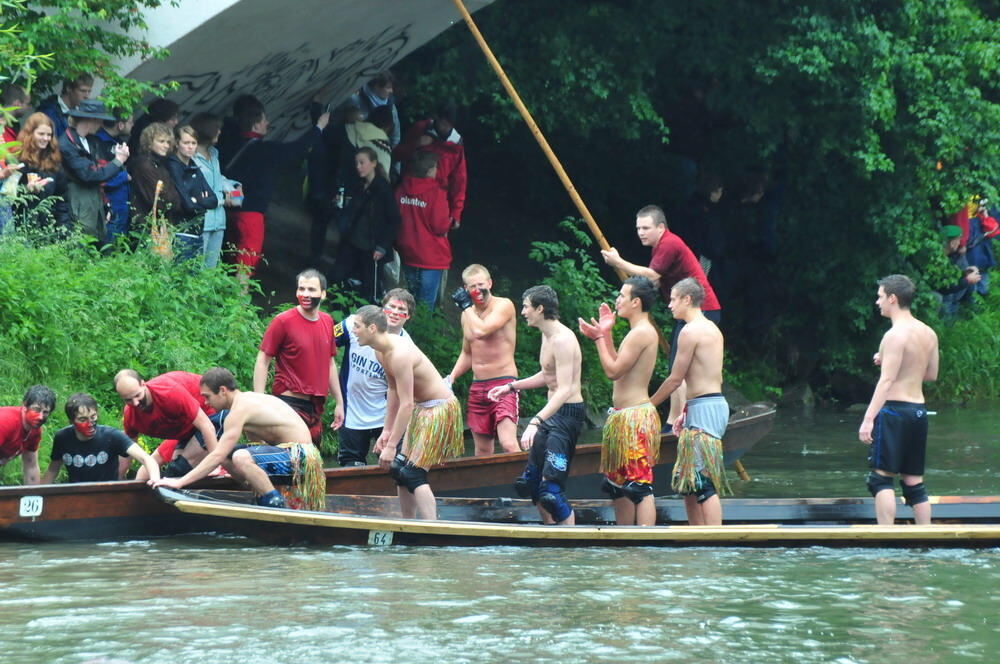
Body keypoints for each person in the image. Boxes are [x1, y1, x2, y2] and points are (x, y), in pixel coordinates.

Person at [601, 204, 721, 425]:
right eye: (638, 228)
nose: (641, 233)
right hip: (693, 309)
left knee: (679, 368)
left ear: (661, 227)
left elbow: (652, 275)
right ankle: (679, 417)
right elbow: (653, 280)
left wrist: (618, 262)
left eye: (646, 228)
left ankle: (675, 420)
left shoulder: (669, 243)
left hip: (701, 307)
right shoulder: (660, 246)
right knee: (677, 365)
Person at [153, 368, 325, 510]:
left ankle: (274, 503)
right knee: (232, 455)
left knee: (239, 456)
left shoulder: (239, 410)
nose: (205, 402)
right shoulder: (246, 401)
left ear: (222, 391)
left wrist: (180, 482)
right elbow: (257, 446)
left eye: (207, 396)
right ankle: (259, 494)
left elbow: (217, 455)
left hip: (302, 458)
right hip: (290, 455)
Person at [354, 306, 463, 520]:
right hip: (420, 408)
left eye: (357, 327)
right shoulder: (379, 350)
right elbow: (393, 389)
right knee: (398, 469)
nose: (354, 331)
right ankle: (407, 524)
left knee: (413, 472)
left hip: (438, 409)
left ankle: (433, 529)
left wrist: (393, 445)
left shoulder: (399, 354)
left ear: (372, 328)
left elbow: (406, 404)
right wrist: (386, 431)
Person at [488, 285, 585, 526]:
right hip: (552, 412)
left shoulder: (562, 339)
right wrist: (511, 387)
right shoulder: (546, 335)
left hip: (567, 414)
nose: (523, 312)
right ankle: (549, 535)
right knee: (530, 483)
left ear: (540, 309)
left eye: (526, 307)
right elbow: (547, 375)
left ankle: (569, 546)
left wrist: (535, 421)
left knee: (551, 491)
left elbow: (564, 389)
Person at [578, 277, 661, 525]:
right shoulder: (637, 332)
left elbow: (612, 371)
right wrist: (606, 333)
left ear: (636, 302)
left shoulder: (642, 333)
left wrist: (598, 339)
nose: (617, 300)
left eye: (622, 296)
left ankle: (644, 543)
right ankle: (624, 540)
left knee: (639, 485)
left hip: (635, 419)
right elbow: (619, 365)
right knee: (617, 485)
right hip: (623, 418)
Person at [858, 275, 939, 526]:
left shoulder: (894, 335)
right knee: (914, 484)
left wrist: (868, 419)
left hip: (894, 412)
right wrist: (890, 359)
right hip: (918, 411)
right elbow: (930, 375)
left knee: (880, 479)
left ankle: (886, 539)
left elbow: (886, 382)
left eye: (880, 296)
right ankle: (927, 538)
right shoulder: (928, 332)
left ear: (893, 298)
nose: (877, 301)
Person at [649, 277, 730, 526]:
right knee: (689, 482)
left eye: (673, 299)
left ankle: (715, 537)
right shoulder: (711, 328)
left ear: (687, 299)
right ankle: (696, 533)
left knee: (703, 482)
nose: (670, 305)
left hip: (706, 407)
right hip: (706, 405)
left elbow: (675, 379)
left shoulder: (690, 331)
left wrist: (647, 405)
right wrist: (685, 409)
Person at [224, 100, 329, 279]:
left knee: (229, 257)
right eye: (264, 119)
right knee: (246, 262)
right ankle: (238, 300)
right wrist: (318, 127)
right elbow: (298, 148)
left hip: (229, 208)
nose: (268, 123)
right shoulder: (266, 150)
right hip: (251, 215)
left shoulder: (229, 143)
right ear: (256, 124)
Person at [254, 268, 344, 446]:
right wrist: (259, 401)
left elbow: (330, 363)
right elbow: (263, 360)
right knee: (293, 459)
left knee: (311, 466)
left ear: (323, 294)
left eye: (311, 290)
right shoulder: (283, 321)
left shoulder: (327, 321)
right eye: (301, 289)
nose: (305, 294)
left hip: (315, 406)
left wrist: (340, 402)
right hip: (288, 403)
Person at [334, 288, 414, 466]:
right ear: (382, 308)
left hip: (386, 413)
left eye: (402, 311)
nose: (395, 313)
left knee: (393, 465)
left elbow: (403, 393)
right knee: (350, 465)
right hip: (352, 409)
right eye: (391, 307)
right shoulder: (356, 325)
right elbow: (326, 343)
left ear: (408, 317)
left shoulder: (406, 348)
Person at [446, 264, 520, 455]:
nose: (477, 290)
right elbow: (467, 352)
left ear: (490, 283)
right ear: (465, 289)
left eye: (480, 285)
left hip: (503, 383)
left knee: (508, 444)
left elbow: (482, 330)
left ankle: (525, 483)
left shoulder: (504, 305)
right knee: (482, 449)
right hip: (478, 385)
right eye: (472, 287)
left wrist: (467, 307)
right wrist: (451, 377)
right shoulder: (467, 315)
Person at [114, 369, 219, 478]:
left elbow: (206, 426)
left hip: (209, 413)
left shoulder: (169, 393)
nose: (135, 403)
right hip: (184, 429)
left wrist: (215, 465)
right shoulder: (130, 415)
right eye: (128, 400)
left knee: (181, 466)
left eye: (137, 395)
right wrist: (117, 482)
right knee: (144, 472)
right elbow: (128, 451)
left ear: (143, 384)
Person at [328, 146, 400, 302]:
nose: (358, 167)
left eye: (362, 163)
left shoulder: (383, 189)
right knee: (338, 277)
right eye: (356, 163)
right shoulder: (358, 185)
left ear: (373, 163)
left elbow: (393, 219)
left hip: (371, 246)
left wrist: (382, 245)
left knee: (368, 287)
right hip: (353, 241)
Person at [40, 393, 160, 484]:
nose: (90, 423)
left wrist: (155, 480)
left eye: (93, 417)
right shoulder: (62, 438)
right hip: (76, 496)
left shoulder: (112, 436)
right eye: (83, 419)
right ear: (71, 421)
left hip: (108, 494)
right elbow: (52, 470)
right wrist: (38, 494)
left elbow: (146, 458)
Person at [58, 100, 130, 242]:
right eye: (100, 121)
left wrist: (105, 206)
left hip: (94, 204)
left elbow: (100, 174)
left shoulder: (91, 141)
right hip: (76, 204)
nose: (101, 125)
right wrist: (118, 160)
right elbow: (89, 175)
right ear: (92, 120)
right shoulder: (66, 143)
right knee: (81, 244)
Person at [393, 101, 467, 229]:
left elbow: (459, 180)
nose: (444, 128)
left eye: (449, 125)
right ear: (436, 118)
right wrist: (416, 144)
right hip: (410, 191)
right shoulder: (420, 128)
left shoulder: (456, 143)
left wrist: (456, 212)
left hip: (436, 197)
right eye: (443, 123)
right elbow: (396, 155)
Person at [395, 151, 452, 309]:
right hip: (431, 256)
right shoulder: (436, 193)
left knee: (411, 298)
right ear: (428, 171)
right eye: (435, 167)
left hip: (407, 251)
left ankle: (409, 328)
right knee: (426, 303)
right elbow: (440, 226)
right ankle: (422, 332)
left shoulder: (401, 189)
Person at [189, 112, 240, 268]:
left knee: (210, 270)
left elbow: (219, 179)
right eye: (217, 128)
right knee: (196, 269)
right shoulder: (191, 157)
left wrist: (237, 188)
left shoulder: (214, 153)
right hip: (202, 220)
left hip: (218, 221)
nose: (219, 132)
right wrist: (225, 200)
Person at [13, 112, 74, 235]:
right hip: (20, 227)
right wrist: (26, 191)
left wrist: (64, 230)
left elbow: (62, 200)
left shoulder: (54, 162)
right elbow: (8, 197)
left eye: (49, 135)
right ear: (30, 134)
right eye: (41, 134)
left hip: (48, 228)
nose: (46, 138)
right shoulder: (17, 161)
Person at [166, 125, 219, 236]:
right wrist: (202, 203)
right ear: (177, 143)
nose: (190, 147)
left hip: (197, 228)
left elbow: (214, 200)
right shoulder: (172, 165)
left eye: (193, 143)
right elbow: (188, 204)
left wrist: (196, 200)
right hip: (179, 228)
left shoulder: (193, 165)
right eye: (186, 143)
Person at [129, 123, 185, 223]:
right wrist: (176, 202)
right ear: (149, 142)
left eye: (168, 142)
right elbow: (158, 199)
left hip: (160, 221)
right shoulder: (143, 165)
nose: (166, 146)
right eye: (161, 141)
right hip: (146, 222)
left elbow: (172, 195)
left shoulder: (160, 164)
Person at [0, 385, 56, 485]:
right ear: (25, 405)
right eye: (36, 410)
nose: (41, 417)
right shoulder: (5, 422)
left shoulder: (34, 431)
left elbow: (31, 466)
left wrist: (34, 497)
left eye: (46, 412)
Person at [93, 113, 135, 243]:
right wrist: (123, 176)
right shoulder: (100, 144)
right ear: (121, 125)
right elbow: (100, 177)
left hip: (121, 205)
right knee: (109, 250)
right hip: (110, 205)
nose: (133, 125)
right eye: (130, 122)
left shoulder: (115, 141)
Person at [349, 71, 401, 148]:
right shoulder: (355, 101)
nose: (391, 91)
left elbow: (395, 138)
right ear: (376, 87)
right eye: (388, 88)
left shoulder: (391, 108)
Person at [38, 73, 93, 139]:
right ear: (69, 88)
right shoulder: (49, 112)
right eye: (82, 91)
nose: (87, 96)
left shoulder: (81, 112)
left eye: (89, 91)